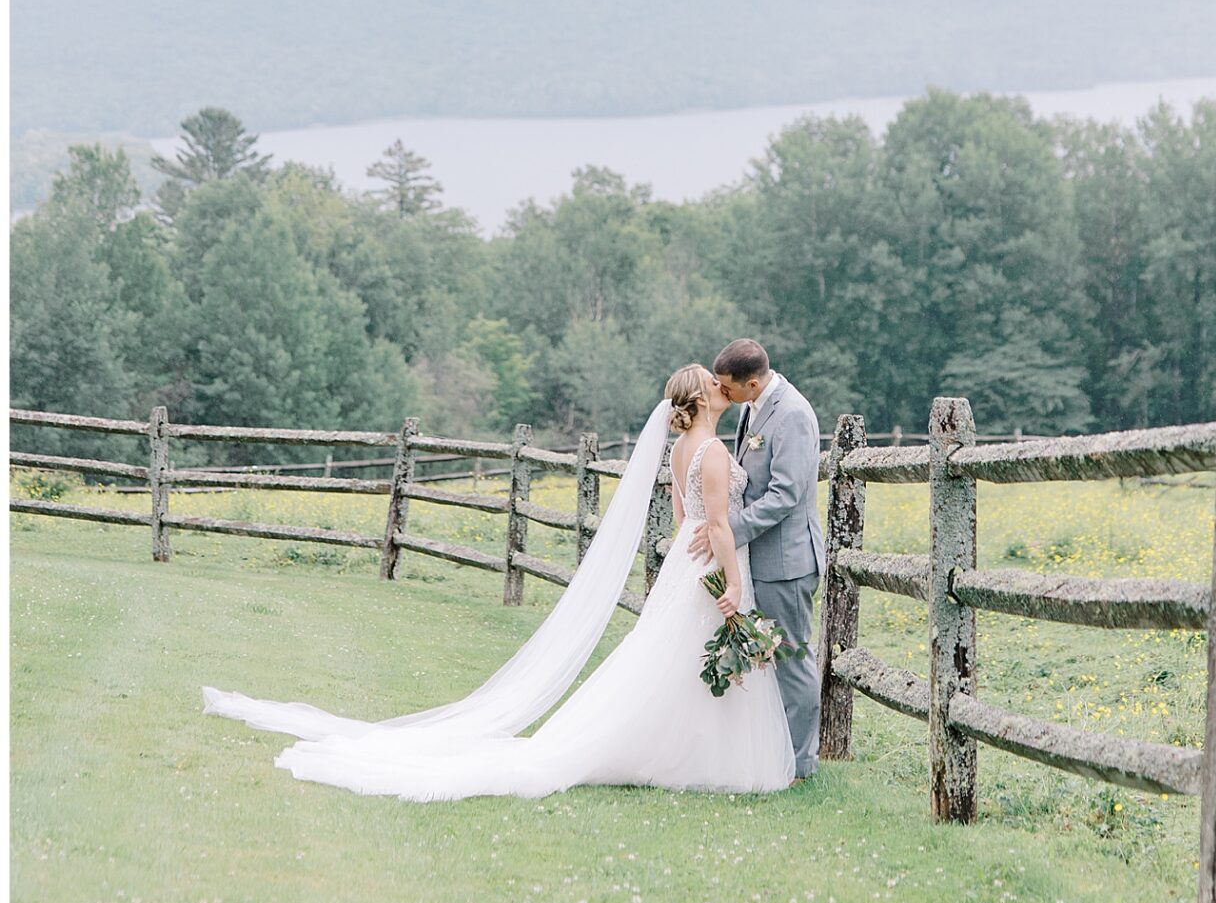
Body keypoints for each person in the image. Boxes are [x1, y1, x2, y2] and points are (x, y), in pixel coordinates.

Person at [200, 365, 796, 801]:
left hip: (680, 567)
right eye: (716, 384)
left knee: (668, 661)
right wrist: (736, 587)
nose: (725, 386)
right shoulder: (713, 451)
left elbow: (683, 509)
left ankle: (680, 752)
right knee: (678, 660)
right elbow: (716, 524)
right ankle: (687, 756)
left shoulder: (680, 450)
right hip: (705, 565)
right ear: (703, 398)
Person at [688, 338, 826, 781]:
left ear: (752, 382)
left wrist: (727, 530)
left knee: (792, 656)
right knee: (769, 657)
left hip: (786, 559)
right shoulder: (751, 406)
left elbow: (785, 493)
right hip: (756, 556)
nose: (723, 396)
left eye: (729, 389)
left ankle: (802, 764)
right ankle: (774, 753)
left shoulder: (794, 415)